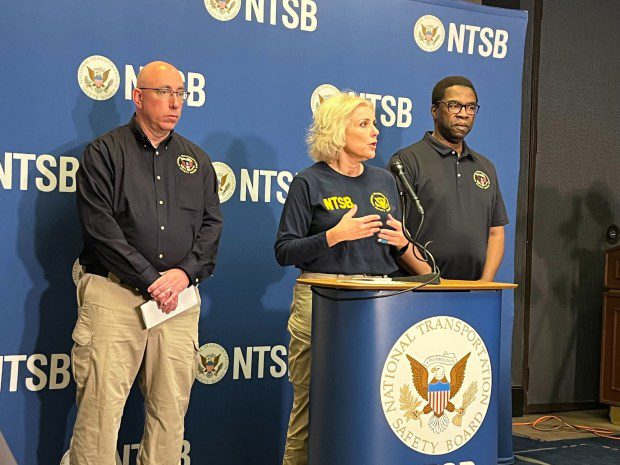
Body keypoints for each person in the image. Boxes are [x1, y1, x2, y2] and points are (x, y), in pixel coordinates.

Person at [70, 61, 223, 465]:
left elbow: (211, 226)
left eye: (180, 94)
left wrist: (183, 273)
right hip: (115, 293)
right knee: (100, 414)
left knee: (170, 414)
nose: (174, 103)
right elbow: (100, 229)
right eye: (163, 92)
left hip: (177, 301)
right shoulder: (104, 152)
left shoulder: (197, 160)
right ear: (138, 97)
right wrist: (150, 279)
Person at [274, 93, 431, 465]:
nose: (376, 131)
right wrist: (333, 235)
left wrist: (403, 243)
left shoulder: (384, 181)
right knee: (311, 405)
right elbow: (284, 251)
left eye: (374, 123)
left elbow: (403, 252)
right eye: (364, 124)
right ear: (336, 131)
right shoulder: (309, 182)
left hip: (379, 303)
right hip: (322, 300)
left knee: (377, 404)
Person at [390, 76, 508, 281]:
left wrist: (485, 284)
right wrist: (432, 278)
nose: (464, 114)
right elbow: (395, 231)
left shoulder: (485, 167)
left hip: (473, 292)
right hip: (419, 289)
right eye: (454, 106)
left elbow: (495, 233)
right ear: (434, 111)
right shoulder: (407, 161)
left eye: (471, 107)